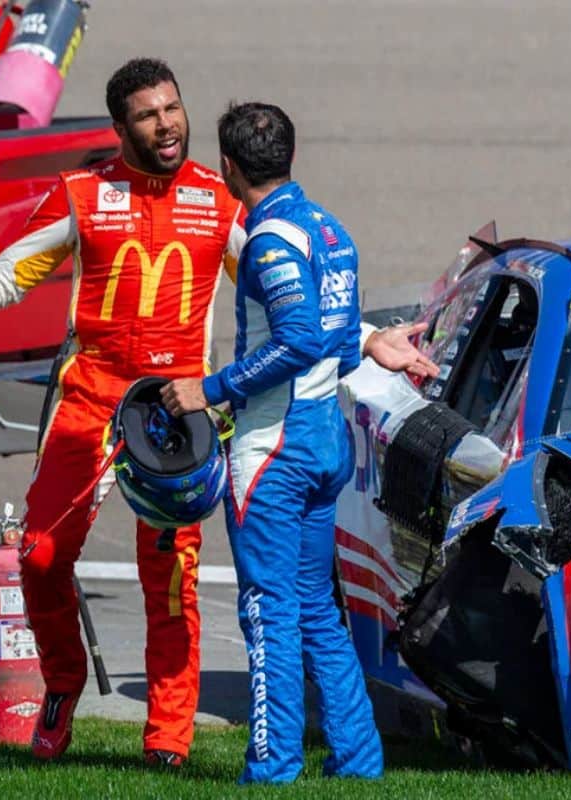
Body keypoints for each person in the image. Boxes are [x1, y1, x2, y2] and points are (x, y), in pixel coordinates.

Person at [0, 60, 431, 768]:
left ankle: (167, 742)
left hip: (178, 416)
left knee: (171, 583)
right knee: (40, 557)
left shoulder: (221, 200)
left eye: (173, 108)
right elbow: (5, 275)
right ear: (121, 128)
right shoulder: (82, 194)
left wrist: (368, 339)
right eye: (149, 115)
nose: (168, 125)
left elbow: (293, 300)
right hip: (89, 401)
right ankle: (63, 683)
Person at [161, 102, 437, 784]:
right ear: (290, 154)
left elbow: (300, 340)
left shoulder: (270, 239)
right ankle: (359, 761)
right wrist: (374, 341)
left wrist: (211, 388)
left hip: (275, 451)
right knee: (314, 605)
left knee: (267, 610)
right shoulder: (330, 231)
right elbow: (339, 344)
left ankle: (273, 767)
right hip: (323, 441)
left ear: (228, 168)